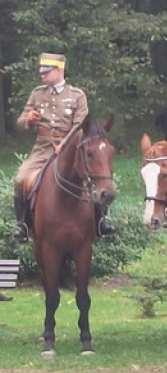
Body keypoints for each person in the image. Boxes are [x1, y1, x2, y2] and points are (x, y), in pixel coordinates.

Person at [13, 53, 114, 240]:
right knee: (21, 179)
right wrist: (28, 120)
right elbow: (19, 123)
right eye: (41, 72)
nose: (42, 75)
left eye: (46, 72)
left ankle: (101, 221)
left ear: (58, 70)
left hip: (72, 150)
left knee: (94, 178)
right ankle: (23, 225)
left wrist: (65, 143)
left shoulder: (77, 95)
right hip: (42, 149)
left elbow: (80, 124)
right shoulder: (37, 94)